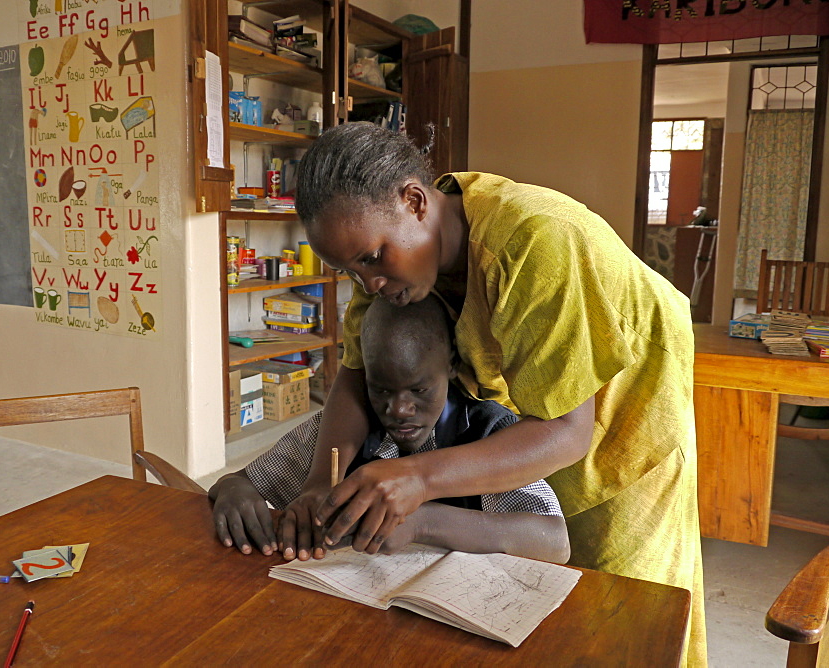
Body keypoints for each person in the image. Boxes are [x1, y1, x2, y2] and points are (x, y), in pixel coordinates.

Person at [286, 122, 706, 666]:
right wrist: (323, 481)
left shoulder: (536, 241)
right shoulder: (391, 264)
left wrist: (418, 478)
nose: (366, 284)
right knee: (534, 606)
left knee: (624, 619)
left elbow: (567, 431)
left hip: (628, 434)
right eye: (348, 271)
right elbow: (353, 372)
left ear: (415, 201)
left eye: (370, 259)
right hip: (532, 429)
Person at [209, 295, 570, 564]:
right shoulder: (342, 435)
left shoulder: (487, 434)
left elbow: (554, 542)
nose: (398, 410)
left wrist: (422, 523)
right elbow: (239, 480)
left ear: (452, 367)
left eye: (419, 390)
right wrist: (231, 489)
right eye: (380, 389)